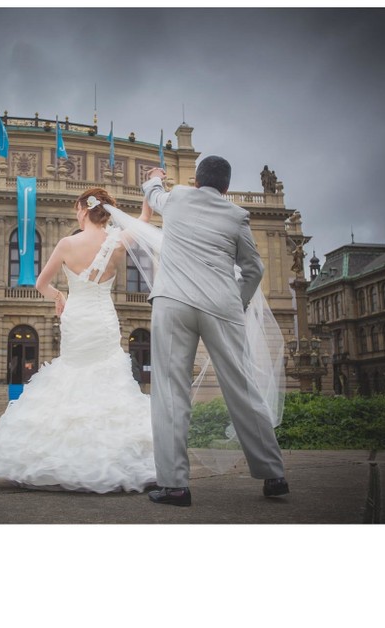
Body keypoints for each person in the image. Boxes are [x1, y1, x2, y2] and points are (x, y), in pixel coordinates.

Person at [0, 187, 157, 493]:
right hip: (103, 316)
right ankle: (108, 452)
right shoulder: (117, 241)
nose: (76, 214)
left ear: (84, 209)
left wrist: (60, 297)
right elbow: (145, 217)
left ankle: (58, 453)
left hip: (76, 317)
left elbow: (41, 282)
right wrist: (150, 190)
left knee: (72, 372)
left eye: (76, 209)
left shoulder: (68, 243)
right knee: (107, 376)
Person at [141, 157, 289, 507]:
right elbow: (254, 268)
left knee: (170, 391)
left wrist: (155, 178)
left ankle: (175, 486)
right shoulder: (236, 216)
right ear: (225, 188)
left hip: (173, 301)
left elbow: (152, 193)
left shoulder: (175, 198)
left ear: (195, 182)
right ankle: (274, 474)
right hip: (221, 305)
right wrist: (236, 303)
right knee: (242, 385)